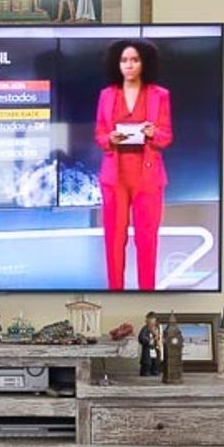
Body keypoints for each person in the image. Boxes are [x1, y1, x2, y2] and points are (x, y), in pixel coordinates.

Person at [93, 39, 174, 291]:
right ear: (116, 64)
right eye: (124, 60)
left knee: (147, 239)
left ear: (143, 63)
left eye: (135, 60)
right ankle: (115, 292)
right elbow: (99, 135)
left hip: (147, 176)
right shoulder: (107, 95)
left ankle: (147, 294)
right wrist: (110, 138)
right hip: (114, 177)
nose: (129, 65)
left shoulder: (160, 95)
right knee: (114, 240)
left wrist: (153, 133)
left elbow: (166, 137)